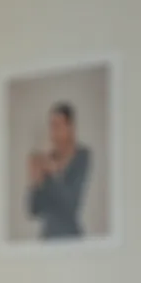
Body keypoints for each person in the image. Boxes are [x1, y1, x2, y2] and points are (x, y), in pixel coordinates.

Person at [25, 101, 91, 239]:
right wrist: (34, 182)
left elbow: (71, 205)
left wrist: (53, 171)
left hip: (71, 238)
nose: (53, 132)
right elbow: (34, 210)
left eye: (57, 126)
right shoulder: (49, 158)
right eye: (51, 126)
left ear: (70, 127)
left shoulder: (82, 156)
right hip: (47, 238)